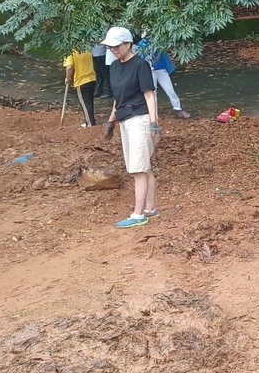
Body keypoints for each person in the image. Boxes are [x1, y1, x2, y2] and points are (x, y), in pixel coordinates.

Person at [101, 27, 162, 229]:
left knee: (137, 169)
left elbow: (149, 95)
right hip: (125, 120)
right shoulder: (115, 67)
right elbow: (118, 99)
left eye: (117, 46)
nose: (113, 50)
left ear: (128, 44)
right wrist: (111, 121)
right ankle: (150, 208)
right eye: (110, 47)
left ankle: (138, 215)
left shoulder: (140, 65)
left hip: (141, 119)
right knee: (144, 167)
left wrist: (154, 123)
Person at [136, 32, 191, 119]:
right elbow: (141, 57)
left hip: (161, 70)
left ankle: (179, 109)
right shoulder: (141, 45)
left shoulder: (159, 42)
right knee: (152, 93)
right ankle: (153, 114)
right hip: (150, 71)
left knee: (170, 90)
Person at [63, 46, 97, 128]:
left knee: (85, 103)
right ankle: (89, 120)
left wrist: (68, 77)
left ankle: (90, 124)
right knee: (89, 101)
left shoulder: (70, 51)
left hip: (81, 80)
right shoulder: (87, 47)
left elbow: (69, 67)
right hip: (92, 78)